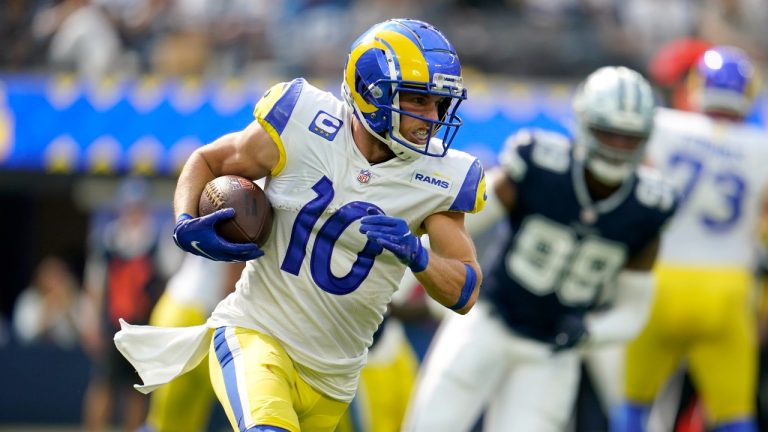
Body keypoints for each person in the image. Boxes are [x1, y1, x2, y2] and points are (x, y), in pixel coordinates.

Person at [114, 18, 486, 432]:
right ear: (372, 91)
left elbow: (466, 289)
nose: (432, 116)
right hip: (256, 335)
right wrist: (184, 220)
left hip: (332, 380)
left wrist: (419, 257)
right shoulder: (302, 120)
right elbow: (208, 160)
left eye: (439, 103)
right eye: (418, 99)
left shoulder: (441, 177)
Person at [403, 66, 677, 432]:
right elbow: (460, 222)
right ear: (583, 123)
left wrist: (590, 332)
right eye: (608, 133)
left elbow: (634, 310)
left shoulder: (648, 206)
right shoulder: (540, 165)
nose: (617, 146)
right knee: (431, 425)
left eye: (629, 137)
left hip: (553, 350)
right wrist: (406, 279)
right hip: (487, 320)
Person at [613, 46, 767, 432]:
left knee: (633, 406)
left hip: (662, 279)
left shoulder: (664, 126)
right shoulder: (762, 146)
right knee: (735, 416)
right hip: (728, 287)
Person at [80, 176, 179, 432]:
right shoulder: (108, 240)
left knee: (138, 388)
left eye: (138, 207)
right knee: (104, 383)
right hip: (113, 323)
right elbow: (95, 286)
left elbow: (168, 280)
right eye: (129, 207)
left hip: (143, 324)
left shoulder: (158, 240)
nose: (133, 213)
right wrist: (91, 323)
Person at [144, 255, 245, 432]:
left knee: (176, 421)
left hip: (173, 307)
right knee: (240, 400)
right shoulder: (242, 231)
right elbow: (232, 285)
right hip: (191, 317)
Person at [12, 255, 81, 349]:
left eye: (60, 276)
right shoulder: (29, 299)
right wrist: (48, 306)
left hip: (66, 357)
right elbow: (26, 335)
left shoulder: (73, 299)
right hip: (34, 354)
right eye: (52, 276)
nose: (56, 281)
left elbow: (79, 338)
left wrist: (67, 309)